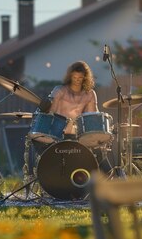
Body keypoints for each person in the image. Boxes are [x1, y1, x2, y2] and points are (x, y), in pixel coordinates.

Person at [22, 61, 101, 193]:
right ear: (70, 76)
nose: (77, 81)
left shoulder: (90, 94)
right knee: (34, 140)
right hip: (55, 132)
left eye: (80, 78)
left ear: (85, 78)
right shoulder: (60, 90)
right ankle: (34, 181)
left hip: (75, 133)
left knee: (99, 148)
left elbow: (92, 115)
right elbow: (49, 112)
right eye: (74, 78)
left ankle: (95, 187)